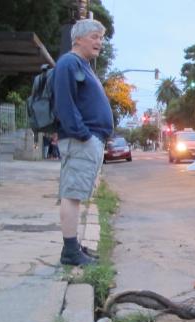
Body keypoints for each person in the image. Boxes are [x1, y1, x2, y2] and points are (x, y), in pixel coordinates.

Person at [53, 19, 113, 266]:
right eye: (94, 36)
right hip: (81, 140)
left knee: (77, 194)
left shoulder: (83, 65)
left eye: (101, 37)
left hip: (88, 140)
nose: (99, 42)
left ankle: (74, 245)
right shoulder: (69, 62)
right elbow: (65, 104)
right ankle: (70, 252)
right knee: (72, 195)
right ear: (78, 39)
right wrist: (84, 136)